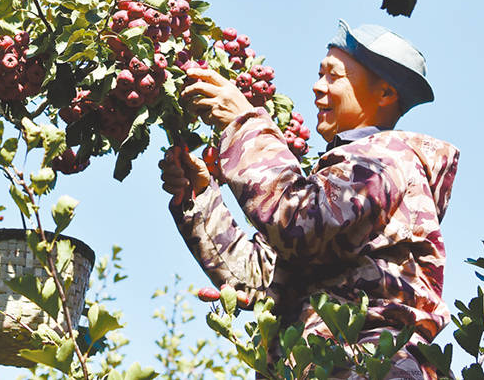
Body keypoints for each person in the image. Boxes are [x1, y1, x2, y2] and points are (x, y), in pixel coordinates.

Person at [160, 20, 459, 379]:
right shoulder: (340, 175)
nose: (318, 86)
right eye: (319, 75)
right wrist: (199, 194)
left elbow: (297, 224)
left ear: (384, 94)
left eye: (334, 76)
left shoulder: (386, 161)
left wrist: (243, 122)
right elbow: (258, 278)